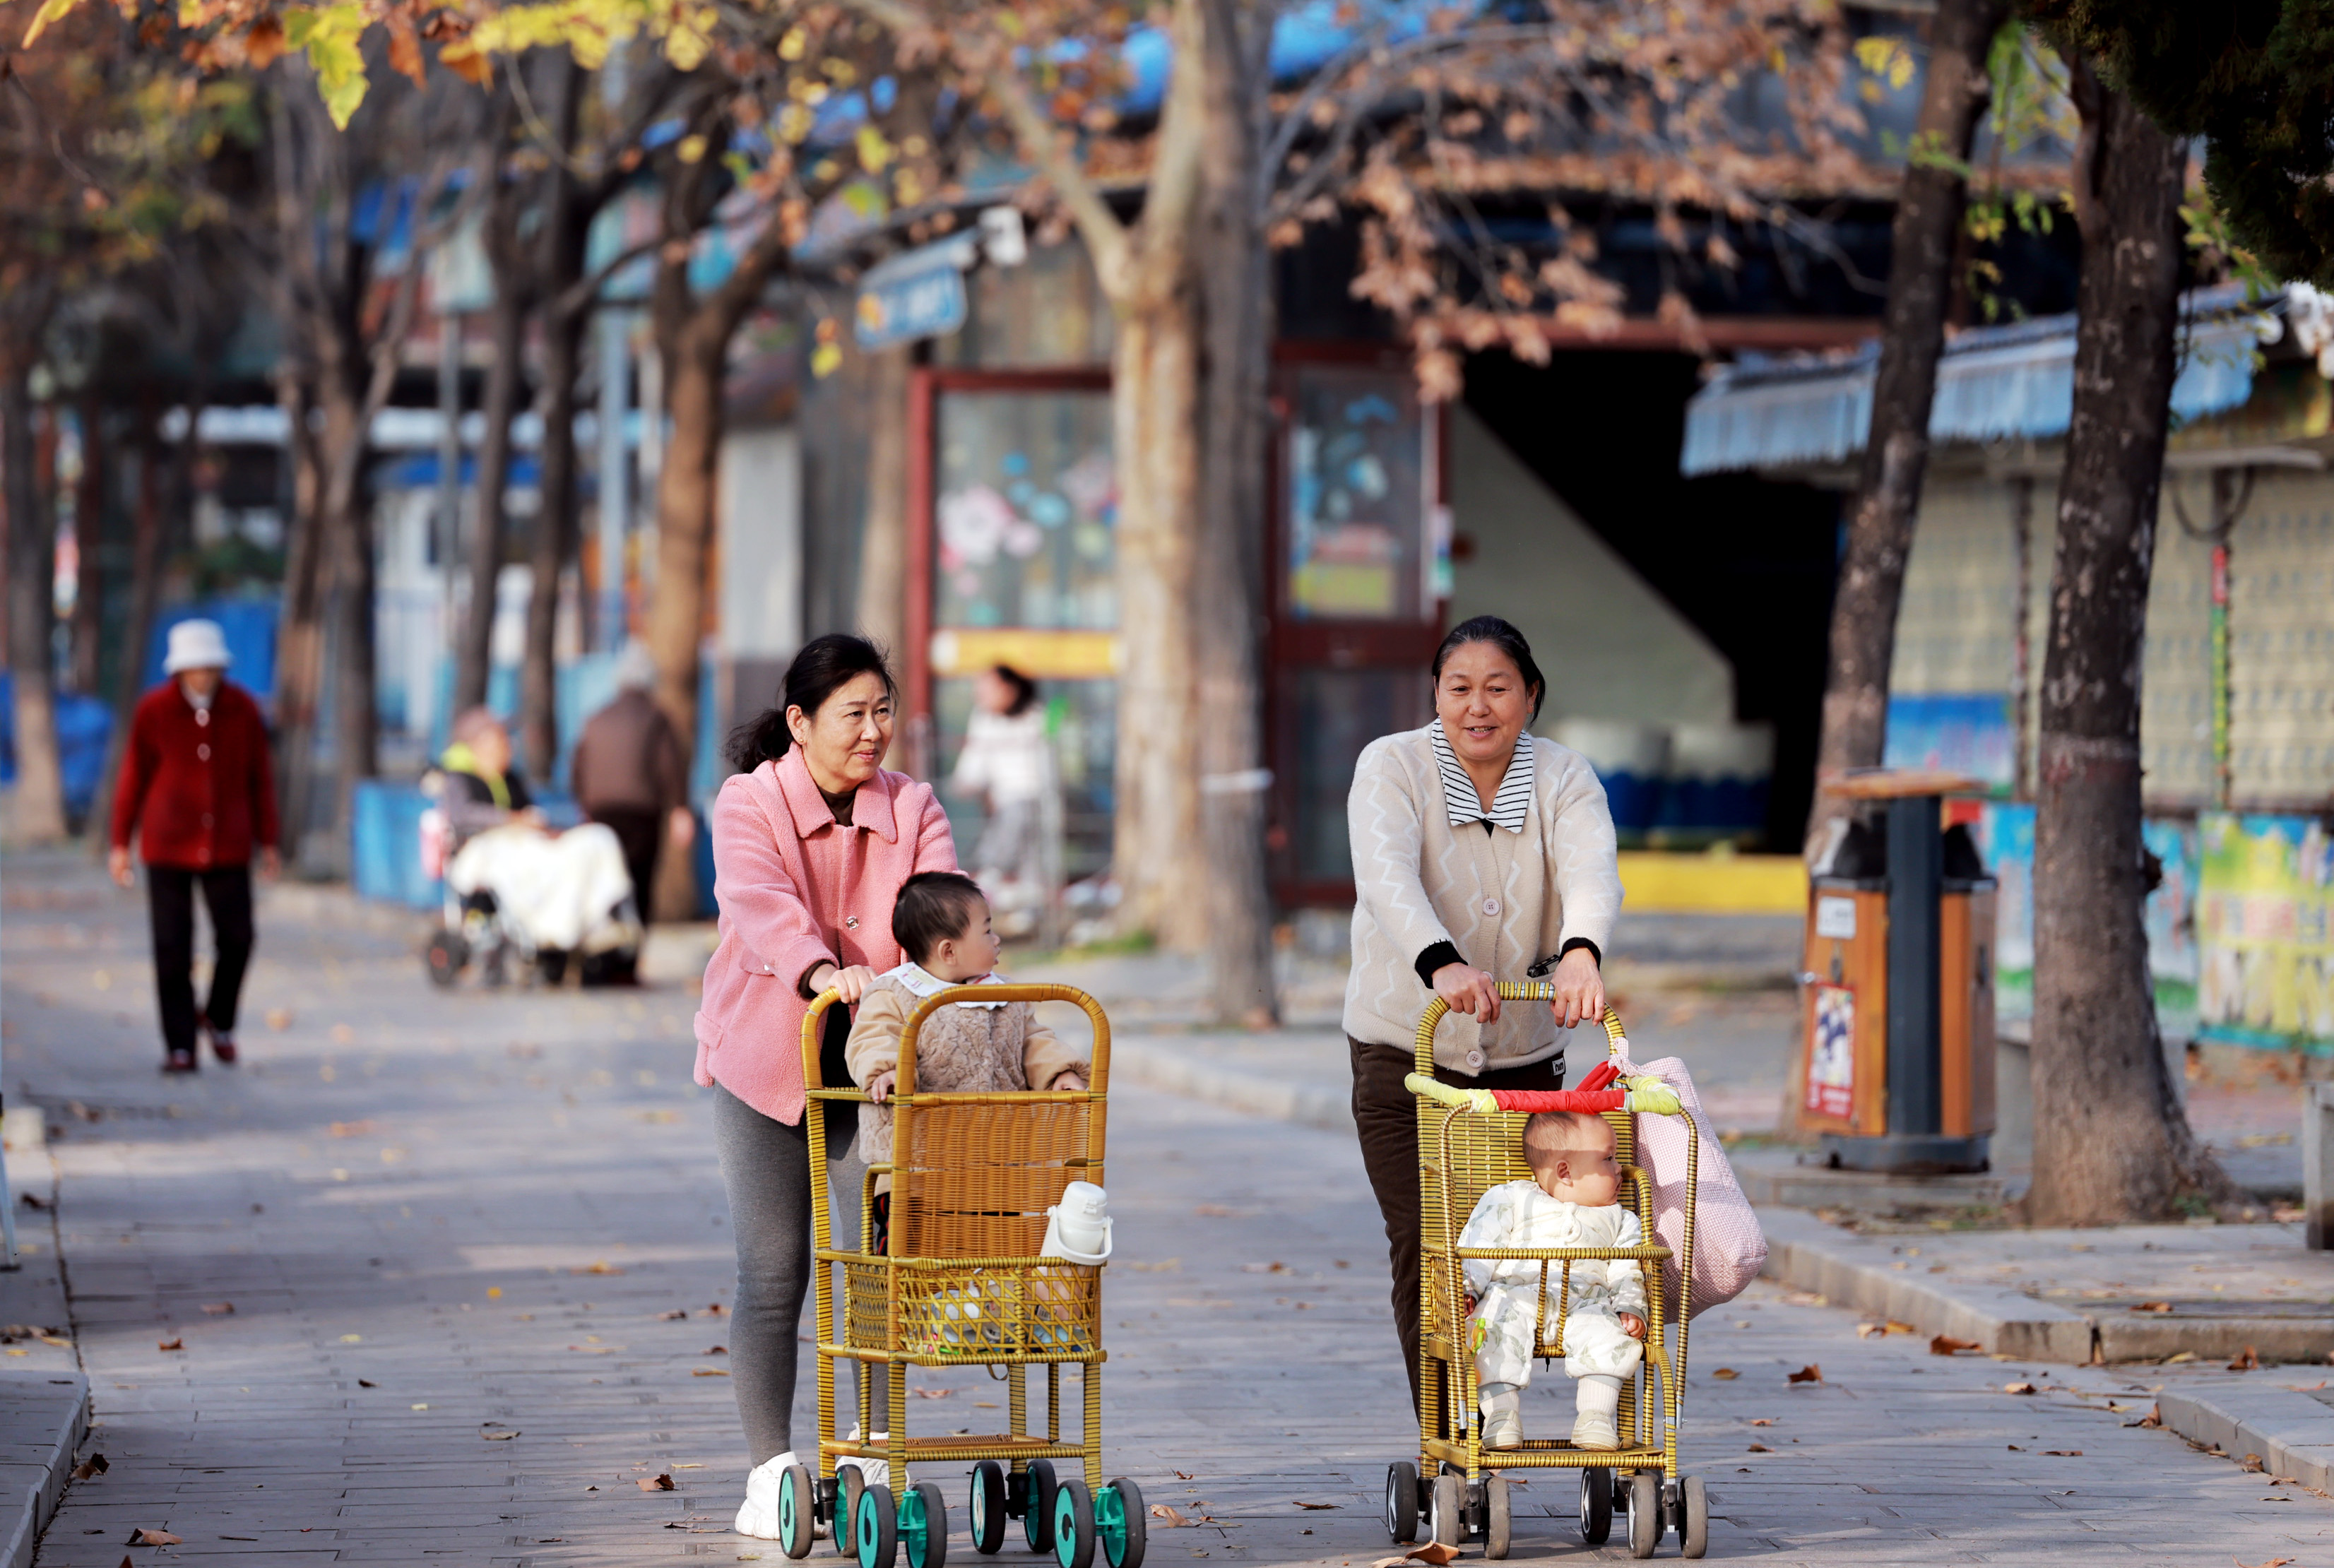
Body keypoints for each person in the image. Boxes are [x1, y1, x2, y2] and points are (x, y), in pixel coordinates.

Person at [694, 634, 958, 1541]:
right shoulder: (749, 801)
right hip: (766, 1059)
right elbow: (759, 902)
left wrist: (955, 965)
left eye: (884, 710)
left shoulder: (912, 804)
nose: (873, 731)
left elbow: (942, 904)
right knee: (773, 1272)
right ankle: (770, 1470)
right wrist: (819, 972)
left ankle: (873, 1454)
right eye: (854, 713)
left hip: (876, 1074)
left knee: (874, 1268)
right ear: (800, 722)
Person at [1345, 613, 1622, 1416]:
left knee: (1519, 1245)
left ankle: (1513, 1411)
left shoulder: (1564, 776)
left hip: (1521, 1065)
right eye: (1458, 687)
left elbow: (1592, 868)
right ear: (1435, 694)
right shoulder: (1392, 765)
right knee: (1427, 1246)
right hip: (1404, 1056)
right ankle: (1448, 1435)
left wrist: (1581, 952)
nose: (1477, 706)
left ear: (1530, 696)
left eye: (1497, 688)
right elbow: (1385, 874)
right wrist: (1441, 963)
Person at [845, 871, 1089, 1245]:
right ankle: (904, 1272)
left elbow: (1034, 1039)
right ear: (949, 951)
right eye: (987, 930)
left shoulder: (1005, 994)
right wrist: (888, 1071)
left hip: (997, 1158)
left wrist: (1060, 1073)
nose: (997, 938)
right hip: (917, 1162)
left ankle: (990, 1282)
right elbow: (873, 1037)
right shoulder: (894, 993)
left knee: (997, 1243)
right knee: (914, 1244)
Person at [107, 618, 280, 1074]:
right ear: (179, 670)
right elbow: (133, 777)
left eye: (210, 668)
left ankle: (219, 1019)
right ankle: (180, 1045)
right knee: (172, 948)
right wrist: (120, 843)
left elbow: (260, 777)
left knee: (239, 938)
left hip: (228, 846)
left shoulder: (242, 709)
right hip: (168, 846)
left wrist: (270, 840)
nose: (203, 676)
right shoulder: (154, 710)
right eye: (195, 668)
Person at [1459, 1110, 1648, 1451]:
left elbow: (1627, 1267)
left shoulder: (1621, 1219)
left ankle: (1596, 1417)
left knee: (1610, 1336)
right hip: (1515, 1294)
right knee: (1492, 1331)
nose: (1620, 1168)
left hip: (1588, 1301)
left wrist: (1629, 1306)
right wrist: (1467, 1287)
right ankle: (1501, 1416)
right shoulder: (1512, 1198)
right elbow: (1479, 1243)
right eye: (1608, 1159)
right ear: (1565, 1172)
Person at [571, 643, 694, 925]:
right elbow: (668, 766)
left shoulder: (595, 718)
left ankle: (607, 936)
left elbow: (578, 765)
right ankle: (634, 938)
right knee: (639, 878)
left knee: (606, 876)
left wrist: (584, 803)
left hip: (600, 811)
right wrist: (680, 808)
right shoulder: (655, 717)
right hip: (641, 813)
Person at [949, 664, 1053, 929]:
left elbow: (1045, 766)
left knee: (1030, 848)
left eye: (987, 690)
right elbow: (975, 759)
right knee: (1018, 830)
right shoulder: (983, 719)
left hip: (1033, 797)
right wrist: (965, 782)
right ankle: (996, 883)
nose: (980, 696)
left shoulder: (1035, 717)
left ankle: (995, 880)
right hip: (1002, 801)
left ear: (1009, 689)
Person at [428, 707, 540, 841]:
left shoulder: (510, 778)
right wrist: (510, 819)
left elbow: (527, 811)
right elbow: (462, 815)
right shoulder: (457, 778)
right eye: (500, 737)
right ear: (478, 744)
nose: (509, 744)